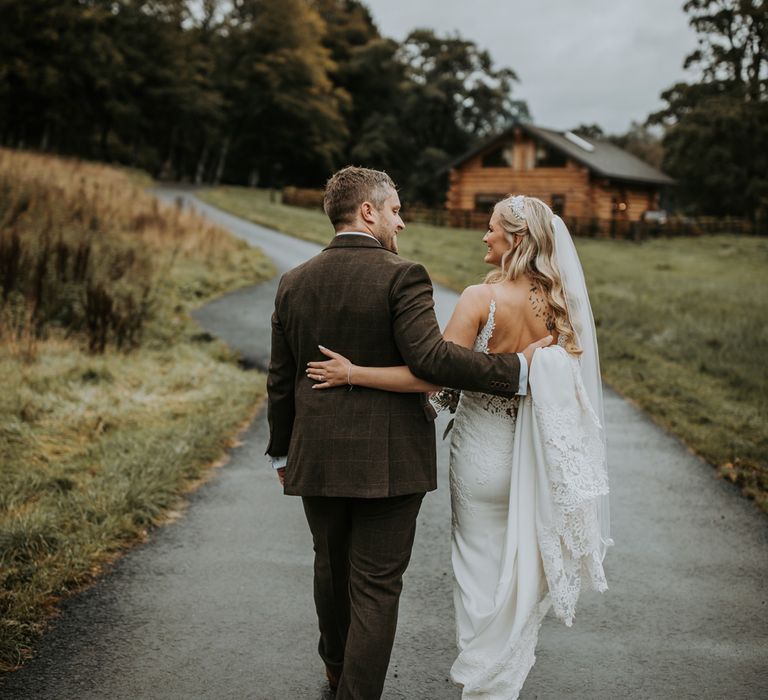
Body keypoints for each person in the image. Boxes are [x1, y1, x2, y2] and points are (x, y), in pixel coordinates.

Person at [308, 194, 612, 699]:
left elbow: (430, 376)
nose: (484, 235)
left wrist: (353, 372)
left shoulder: (480, 299)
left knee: (478, 572)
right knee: (517, 569)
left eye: (492, 228)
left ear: (514, 239)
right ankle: (501, 686)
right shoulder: (561, 303)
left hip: (481, 457)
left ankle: (481, 681)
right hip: (533, 457)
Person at [265, 168, 552, 699]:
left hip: (317, 457)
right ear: (368, 212)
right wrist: (517, 372)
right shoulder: (403, 275)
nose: (403, 220)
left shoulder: (294, 281)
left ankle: (335, 668)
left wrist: (281, 449)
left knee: (329, 567)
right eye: (395, 209)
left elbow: (280, 377)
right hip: (392, 462)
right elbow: (432, 359)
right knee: (375, 586)